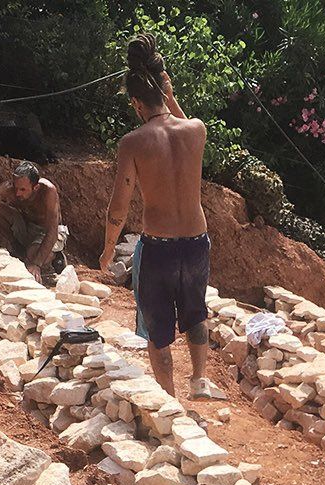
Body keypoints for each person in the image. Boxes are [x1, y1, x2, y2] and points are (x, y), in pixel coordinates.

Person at [99, 34, 223, 404]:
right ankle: (199, 380)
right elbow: (180, 122)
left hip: (159, 247)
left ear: (136, 102)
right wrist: (169, 95)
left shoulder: (133, 142)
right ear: (165, 91)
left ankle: (169, 398)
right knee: (195, 311)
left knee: (158, 328)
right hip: (196, 241)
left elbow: (118, 206)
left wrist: (107, 251)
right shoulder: (196, 130)